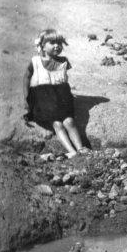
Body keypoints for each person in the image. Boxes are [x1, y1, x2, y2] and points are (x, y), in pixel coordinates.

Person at [23, 28, 88, 158]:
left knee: (69, 121)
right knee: (57, 124)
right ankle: (72, 151)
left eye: (59, 43)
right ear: (42, 46)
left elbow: (62, 82)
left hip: (61, 97)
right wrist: (25, 96)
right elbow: (26, 77)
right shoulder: (35, 61)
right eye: (52, 43)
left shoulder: (64, 61)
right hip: (43, 99)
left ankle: (81, 149)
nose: (57, 46)